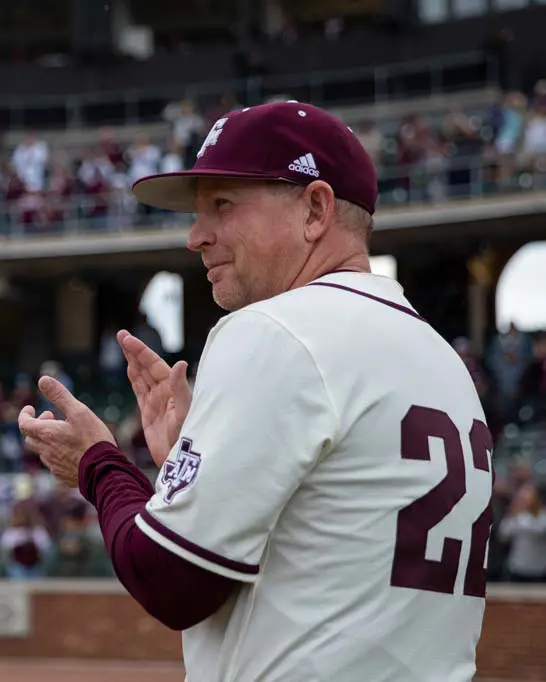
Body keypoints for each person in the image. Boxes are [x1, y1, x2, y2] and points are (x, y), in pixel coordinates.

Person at [18, 102, 493, 682]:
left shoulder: (279, 328)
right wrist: (190, 468)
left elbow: (170, 581)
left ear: (315, 209)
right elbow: (331, 537)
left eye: (223, 205)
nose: (196, 237)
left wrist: (98, 463)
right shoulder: (440, 356)